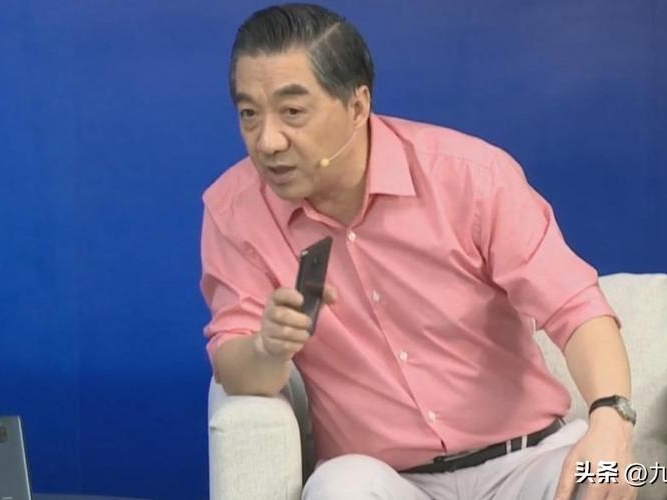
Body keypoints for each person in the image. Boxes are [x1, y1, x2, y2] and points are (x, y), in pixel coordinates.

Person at [200, 4, 637, 499]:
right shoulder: (236, 212)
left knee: (599, 481)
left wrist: (611, 419)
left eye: (292, 112)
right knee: (340, 488)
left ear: (357, 105)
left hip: (528, 460)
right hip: (391, 481)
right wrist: (267, 348)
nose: (268, 141)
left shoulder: (471, 177)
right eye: (249, 114)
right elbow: (234, 364)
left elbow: (577, 309)